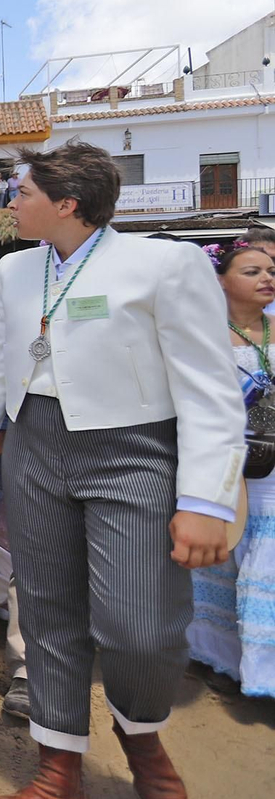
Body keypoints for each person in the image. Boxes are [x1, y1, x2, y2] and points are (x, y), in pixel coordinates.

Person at [0, 142, 244, 799]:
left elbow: (210, 388)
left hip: (135, 453)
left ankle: (143, 742)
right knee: (48, 619)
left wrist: (204, 500)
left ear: (68, 202)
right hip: (35, 451)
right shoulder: (16, 271)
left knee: (142, 628)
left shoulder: (164, 265)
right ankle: (58, 776)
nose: (9, 200)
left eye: (20, 190)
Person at [185, 242, 275, 698]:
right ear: (222, 280)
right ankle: (221, 659)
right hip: (226, 469)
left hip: (274, 473)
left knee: (268, 569)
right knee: (222, 566)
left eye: (271, 271)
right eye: (253, 270)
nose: (267, 278)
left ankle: (266, 673)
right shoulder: (204, 337)